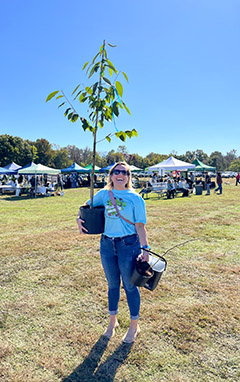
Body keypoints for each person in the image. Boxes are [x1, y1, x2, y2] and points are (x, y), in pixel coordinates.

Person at [76, 162, 150, 343]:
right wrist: (78, 218)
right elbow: (85, 208)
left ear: (128, 177)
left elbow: (140, 226)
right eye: (116, 172)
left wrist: (145, 248)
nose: (120, 175)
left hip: (128, 245)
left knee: (130, 286)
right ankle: (112, 322)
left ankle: (134, 326)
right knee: (112, 285)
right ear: (110, 176)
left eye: (124, 172)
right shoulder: (103, 194)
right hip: (107, 244)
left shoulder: (135, 198)